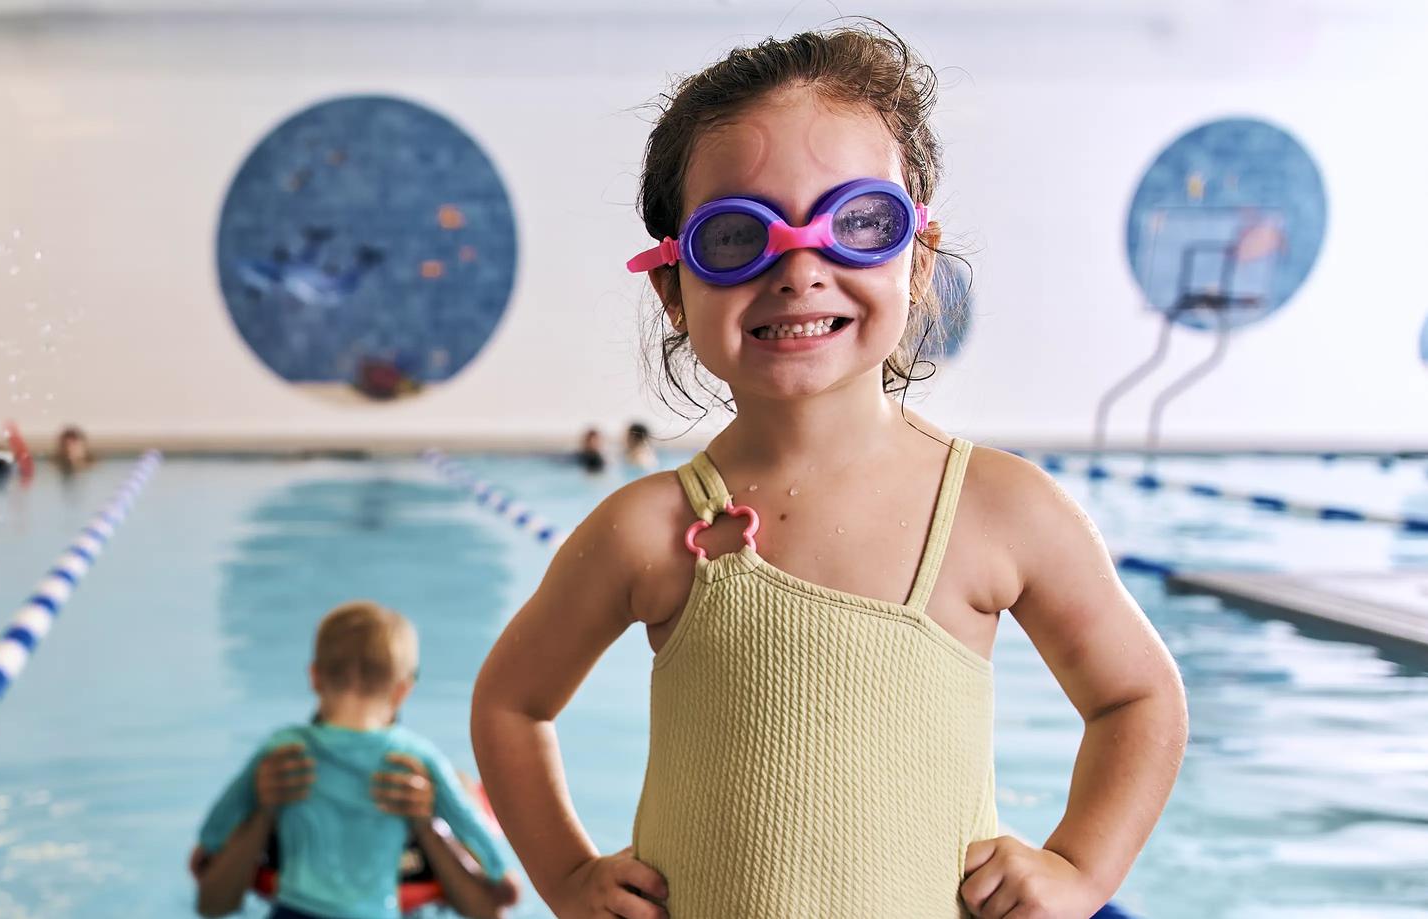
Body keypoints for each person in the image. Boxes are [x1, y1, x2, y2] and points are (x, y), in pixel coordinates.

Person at [470, 24, 1185, 919]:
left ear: (916, 261)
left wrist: (1080, 868)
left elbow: (1137, 696)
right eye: (736, 238)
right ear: (672, 290)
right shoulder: (648, 530)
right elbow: (510, 701)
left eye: (856, 223)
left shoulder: (997, 510)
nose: (799, 269)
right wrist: (569, 876)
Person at [194, 601, 517, 919]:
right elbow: (479, 843)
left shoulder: (283, 752)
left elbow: (211, 840)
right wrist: (500, 874)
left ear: (315, 677)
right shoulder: (417, 759)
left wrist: (211, 845)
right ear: (402, 690)